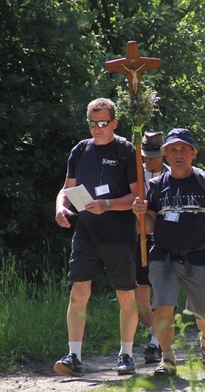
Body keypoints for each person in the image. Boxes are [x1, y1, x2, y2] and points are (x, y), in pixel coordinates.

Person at [132, 128, 205, 376]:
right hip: (163, 257)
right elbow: (149, 227)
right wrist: (139, 214)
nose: (178, 154)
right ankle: (168, 360)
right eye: (172, 150)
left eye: (183, 149)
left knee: (204, 317)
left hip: (199, 255)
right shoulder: (155, 186)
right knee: (162, 308)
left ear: (193, 153)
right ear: (165, 154)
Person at [53, 98, 139, 377]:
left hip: (118, 234)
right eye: (92, 122)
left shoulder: (127, 150)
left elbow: (138, 197)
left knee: (126, 295)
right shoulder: (80, 150)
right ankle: (73, 356)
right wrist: (60, 208)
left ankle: (126, 355)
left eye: (103, 123)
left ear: (114, 122)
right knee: (78, 292)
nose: (97, 128)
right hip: (86, 233)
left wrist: (108, 205)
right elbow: (66, 189)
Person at [136, 131, 169, 364]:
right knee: (139, 298)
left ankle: (155, 343)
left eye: (156, 156)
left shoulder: (171, 176)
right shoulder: (134, 175)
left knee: (161, 295)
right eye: (147, 155)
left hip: (164, 241)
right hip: (136, 240)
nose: (151, 160)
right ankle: (154, 333)